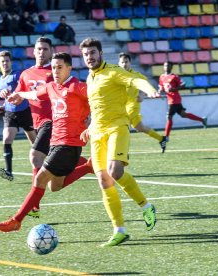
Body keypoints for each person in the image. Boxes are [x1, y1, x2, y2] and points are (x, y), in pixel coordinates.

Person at [0, 52, 93, 233]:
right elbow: (34, 94)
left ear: (69, 68)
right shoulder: (51, 87)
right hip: (56, 142)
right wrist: (20, 95)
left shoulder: (78, 87)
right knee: (54, 186)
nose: (55, 71)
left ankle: (17, 220)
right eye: (54, 67)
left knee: (40, 178)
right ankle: (88, 166)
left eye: (60, 67)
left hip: (69, 144)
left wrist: (91, 123)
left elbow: (98, 102)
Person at [79, 37, 159, 247]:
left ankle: (146, 206)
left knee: (114, 171)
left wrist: (149, 88)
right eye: (86, 54)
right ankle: (119, 230)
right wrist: (89, 127)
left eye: (93, 53)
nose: (90, 57)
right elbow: (96, 107)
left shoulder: (113, 71)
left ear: (101, 54)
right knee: (104, 181)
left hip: (117, 128)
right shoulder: (89, 78)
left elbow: (134, 81)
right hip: (97, 134)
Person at [0, 37, 53, 218]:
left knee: (35, 156)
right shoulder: (26, 74)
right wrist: (7, 98)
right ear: (34, 51)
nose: (42, 52)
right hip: (33, 119)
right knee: (56, 180)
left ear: (51, 51)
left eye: (45, 49)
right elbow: (18, 96)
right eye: (39, 49)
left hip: (53, 120)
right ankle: (90, 165)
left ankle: (33, 207)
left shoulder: (55, 71)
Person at [0, 50, 37, 181]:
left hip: (24, 112)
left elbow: (23, 90)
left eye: (7, 61)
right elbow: (8, 99)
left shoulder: (17, 75)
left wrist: (11, 92)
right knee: (6, 139)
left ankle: (46, 167)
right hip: (10, 113)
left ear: (10, 62)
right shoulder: (0, 80)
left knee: (35, 143)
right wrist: (3, 106)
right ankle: (9, 172)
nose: (5, 63)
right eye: (2, 62)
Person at [118, 52, 168, 153]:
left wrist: (142, 95)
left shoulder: (136, 75)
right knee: (140, 128)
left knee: (121, 124)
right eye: (122, 62)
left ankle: (121, 151)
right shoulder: (117, 75)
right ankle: (161, 139)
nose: (124, 64)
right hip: (122, 105)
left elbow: (146, 84)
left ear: (130, 63)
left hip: (133, 105)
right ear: (119, 64)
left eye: (126, 62)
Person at [159, 61, 207, 140]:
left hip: (175, 100)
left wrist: (174, 89)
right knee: (183, 114)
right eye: (165, 66)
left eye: (168, 66)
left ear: (171, 67)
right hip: (170, 100)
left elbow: (183, 84)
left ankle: (166, 136)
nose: (166, 67)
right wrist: (159, 91)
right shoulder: (161, 77)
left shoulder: (174, 77)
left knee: (169, 117)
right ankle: (202, 120)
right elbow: (161, 86)